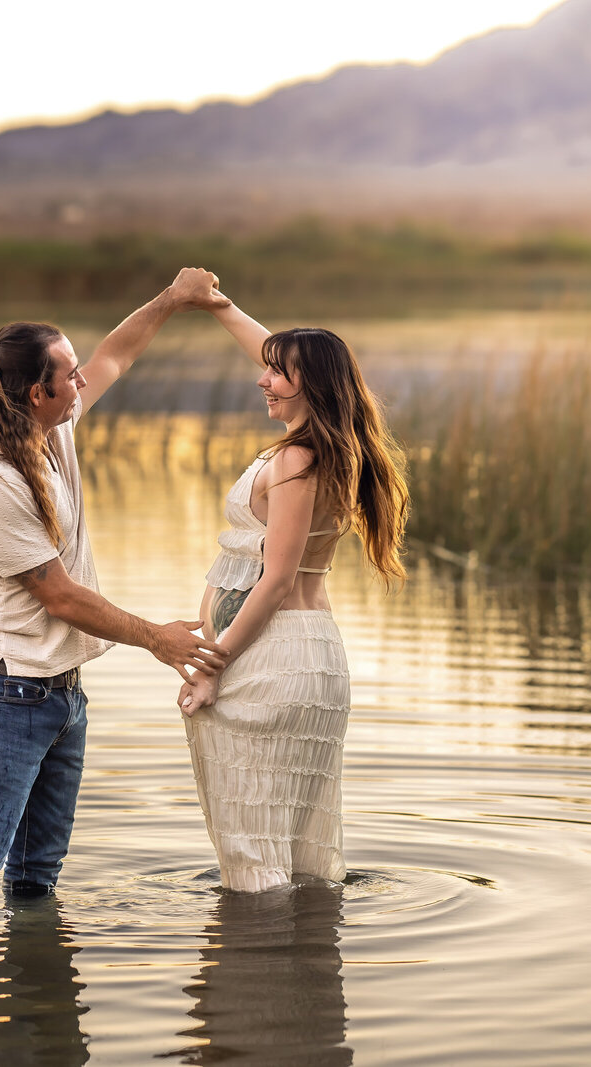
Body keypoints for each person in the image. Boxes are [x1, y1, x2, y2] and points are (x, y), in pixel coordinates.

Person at [0, 267, 232, 917]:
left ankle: (38, 977)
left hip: (62, 692)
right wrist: (156, 638)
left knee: (38, 876)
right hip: (8, 695)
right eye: (69, 374)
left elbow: (115, 355)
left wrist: (175, 299)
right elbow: (60, 598)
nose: (82, 380)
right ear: (37, 391)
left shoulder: (50, 429)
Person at [177, 301, 410, 893]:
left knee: (253, 853)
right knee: (300, 851)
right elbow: (287, 356)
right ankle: (302, 945)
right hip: (307, 656)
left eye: (278, 373)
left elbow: (276, 579)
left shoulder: (296, 459)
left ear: (314, 384)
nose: (263, 379)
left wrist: (211, 666)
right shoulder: (332, 449)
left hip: (274, 662)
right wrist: (219, 305)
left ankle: (256, 948)